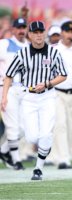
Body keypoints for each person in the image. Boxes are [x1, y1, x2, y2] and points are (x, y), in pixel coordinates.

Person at [1, 20, 67, 180]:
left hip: (47, 96)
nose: (38, 35)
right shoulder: (22, 53)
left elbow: (63, 75)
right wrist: (4, 97)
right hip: (28, 97)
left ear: (44, 33)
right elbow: (9, 75)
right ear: (30, 35)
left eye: (40, 32)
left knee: (45, 134)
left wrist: (47, 84)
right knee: (31, 137)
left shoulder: (53, 53)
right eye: (35, 32)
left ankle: (38, 168)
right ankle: (44, 148)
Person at [50, 20, 72, 169]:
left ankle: (64, 154)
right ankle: (62, 159)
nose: (70, 34)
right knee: (60, 125)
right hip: (57, 93)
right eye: (67, 31)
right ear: (62, 33)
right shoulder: (53, 49)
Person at [0, 17, 29, 170]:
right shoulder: (4, 44)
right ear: (13, 29)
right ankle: (15, 159)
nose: (21, 30)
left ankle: (4, 150)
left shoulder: (29, 46)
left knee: (25, 127)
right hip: (7, 88)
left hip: (23, 90)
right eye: (18, 27)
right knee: (13, 126)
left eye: (23, 27)